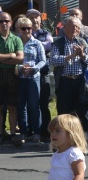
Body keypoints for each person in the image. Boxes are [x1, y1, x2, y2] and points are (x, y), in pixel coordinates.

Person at [50, 17, 88, 152]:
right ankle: (60, 144)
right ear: (65, 28)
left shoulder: (82, 42)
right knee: (63, 113)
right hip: (65, 81)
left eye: (77, 27)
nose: (75, 29)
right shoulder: (58, 43)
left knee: (84, 113)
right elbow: (54, 60)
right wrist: (71, 56)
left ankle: (86, 142)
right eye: (72, 26)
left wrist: (82, 55)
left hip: (80, 82)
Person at [16, 17, 46, 144]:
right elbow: (14, 59)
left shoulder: (37, 43)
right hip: (20, 78)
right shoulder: (16, 42)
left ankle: (36, 133)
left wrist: (33, 68)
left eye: (29, 28)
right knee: (21, 106)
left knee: (34, 105)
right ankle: (23, 132)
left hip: (34, 78)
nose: (27, 31)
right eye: (24, 28)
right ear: (19, 29)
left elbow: (43, 61)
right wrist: (20, 68)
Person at [27, 8, 53, 141]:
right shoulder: (25, 33)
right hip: (29, 75)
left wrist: (34, 46)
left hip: (43, 73)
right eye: (31, 17)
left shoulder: (45, 33)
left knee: (44, 103)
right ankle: (32, 129)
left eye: (36, 17)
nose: (34, 19)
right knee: (32, 103)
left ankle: (46, 130)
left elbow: (49, 45)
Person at [0, 13, 23, 146]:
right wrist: (10, 55)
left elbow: (20, 58)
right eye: (1, 21)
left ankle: (13, 134)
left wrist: (3, 59)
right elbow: (15, 56)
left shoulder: (16, 39)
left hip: (12, 75)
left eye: (6, 21)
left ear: (10, 23)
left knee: (12, 107)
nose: (3, 23)